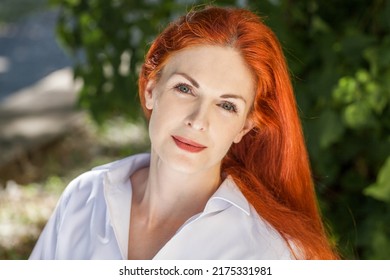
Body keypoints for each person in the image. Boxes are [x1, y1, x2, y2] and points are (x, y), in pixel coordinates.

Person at [29, 5, 338, 260]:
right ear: (152, 90)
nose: (198, 120)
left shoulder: (274, 254)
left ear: (244, 127)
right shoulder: (84, 197)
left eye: (227, 105)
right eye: (186, 88)